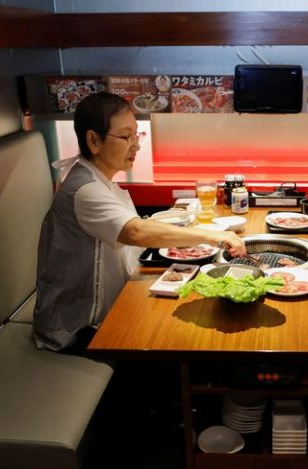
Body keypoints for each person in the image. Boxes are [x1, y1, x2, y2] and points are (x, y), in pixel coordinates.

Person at [34, 92, 246, 352]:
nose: (136, 146)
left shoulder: (99, 180)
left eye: (137, 135)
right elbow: (135, 232)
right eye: (126, 137)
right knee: (185, 335)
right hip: (78, 330)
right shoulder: (85, 191)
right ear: (93, 141)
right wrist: (213, 236)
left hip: (108, 308)